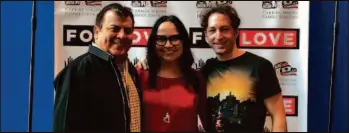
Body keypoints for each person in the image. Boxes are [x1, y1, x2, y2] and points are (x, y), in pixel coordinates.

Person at [53, 3, 142, 132]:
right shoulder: (77, 71)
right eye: (114, 28)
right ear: (96, 32)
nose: (122, 35)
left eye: (127, 30)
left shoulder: (131, 72)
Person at [200, 5, 287, 132]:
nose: (218, 36)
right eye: (212, 30)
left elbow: (278, 115)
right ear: (206, 35)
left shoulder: (260, 66)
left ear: (236, 32)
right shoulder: (206, 69)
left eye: (224, 29)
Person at [136, 15, 207, 132]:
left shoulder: (197, 79)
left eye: (174, 38)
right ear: (153, 42)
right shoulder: (140, 76)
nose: (168, 45)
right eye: (161, 39)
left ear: (184, 41)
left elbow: (204, 120)